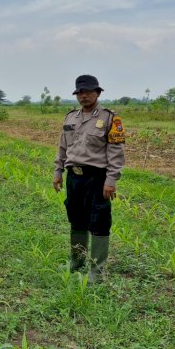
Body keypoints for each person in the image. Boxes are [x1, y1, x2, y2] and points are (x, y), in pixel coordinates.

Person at [53, 75, 125, 283]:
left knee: (99, 221)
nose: (83, 96)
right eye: (80, 93)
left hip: (97, 178)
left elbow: (116, 153)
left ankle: (97, 270)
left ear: (98, 93)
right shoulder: (70, 118)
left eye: (88, 92)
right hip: (74, 178)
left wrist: (111, 180)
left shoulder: (110, 118)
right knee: (76, 219)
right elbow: (62, 148)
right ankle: (77, 261)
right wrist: (58, 171)